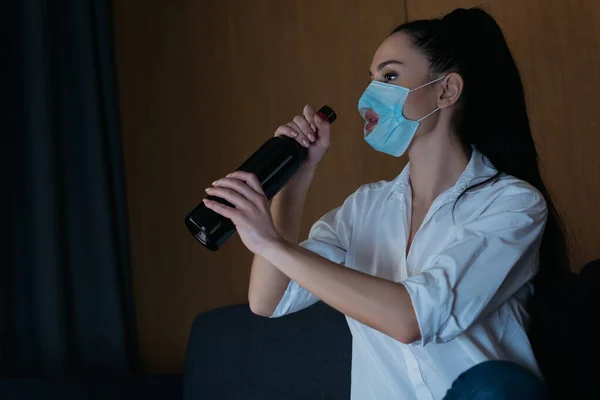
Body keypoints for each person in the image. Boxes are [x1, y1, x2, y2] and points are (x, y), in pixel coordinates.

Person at [202, 7, 569, 400]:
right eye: (372, 79)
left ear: (446, 91)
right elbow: (268, 300)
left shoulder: (512, 204)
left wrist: (268, 243)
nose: (367, 97)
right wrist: (295, 177)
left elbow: (412, 318)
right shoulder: (363, 209)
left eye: (390, 76)